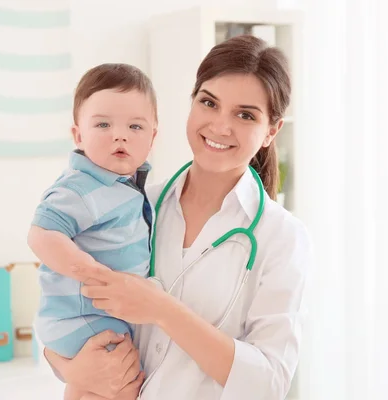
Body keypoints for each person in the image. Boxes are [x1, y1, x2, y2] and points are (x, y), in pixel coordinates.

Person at [44, 35, 312, 400]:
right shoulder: (137, 205)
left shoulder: (282, 237)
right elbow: (59, 302)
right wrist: (70, 368)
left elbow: (268, 383)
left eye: (245, 114)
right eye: (209, 103)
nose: (220, 126)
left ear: (271, 131)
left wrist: (163, 310)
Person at [27, 63, 157, 399]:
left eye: (135, 126)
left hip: (96, 318)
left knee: (97, 388)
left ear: (153, 136)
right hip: (84, 318)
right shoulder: (80, 187)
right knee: (122, 385)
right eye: (103, 124)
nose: (120, 134)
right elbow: (41, 235)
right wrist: (88, 270)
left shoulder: (125, 186)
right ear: (78, 136)